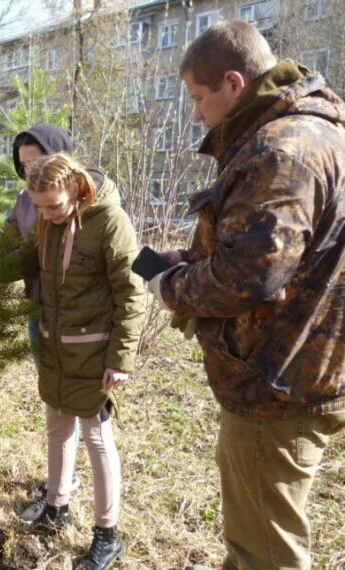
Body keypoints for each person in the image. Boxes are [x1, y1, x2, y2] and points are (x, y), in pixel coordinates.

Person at [148, 20, 345, 570]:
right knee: (255, 536)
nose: (194, 113)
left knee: (266, 553)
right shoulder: (317, 134)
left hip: (275, 381)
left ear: (234, 83)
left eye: (198, 97)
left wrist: (172, 285)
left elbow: (247, 278)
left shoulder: (282, 150)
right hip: (297, 368)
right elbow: (277, 253)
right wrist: (190, 259)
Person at [0, 124, 83, 522]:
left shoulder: (83, 198)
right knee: (56, 403)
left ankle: (68, 490)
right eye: (23, 165)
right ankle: (62, 483)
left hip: (79, 320)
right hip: (38, 311)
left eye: (37, 160)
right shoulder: (26, 203)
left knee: (87, 411)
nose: (30, 171)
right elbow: (7, 250)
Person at [17, 153, 144, 570]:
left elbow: (132, 293)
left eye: (53, 205)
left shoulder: (110, 222)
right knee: (58, 429)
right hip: (56, 349)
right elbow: (28, 261)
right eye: (40, 207)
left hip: (94, 352)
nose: (47, 215)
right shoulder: (48, 221)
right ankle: (57, 506)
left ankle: (108, 534)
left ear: (75, 186)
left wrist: (120, 359)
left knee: (96, 437)